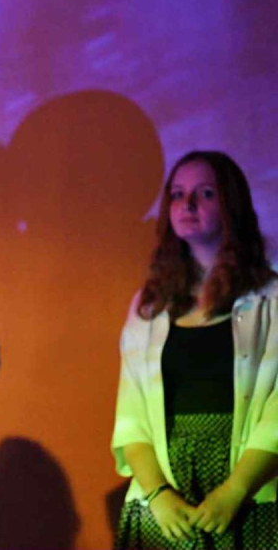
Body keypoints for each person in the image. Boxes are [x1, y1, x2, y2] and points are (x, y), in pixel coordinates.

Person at [112, 150, 278, 549]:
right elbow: (131, 413)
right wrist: (158, 494)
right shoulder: (149, 306)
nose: (187, 204)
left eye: (205, 193)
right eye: (177, 194)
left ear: (231, 205)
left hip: (245, 498)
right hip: (164, 506)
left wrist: (235, 490)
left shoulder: (271, 298)